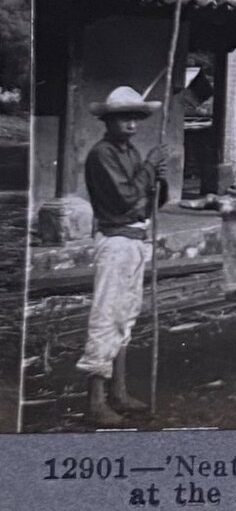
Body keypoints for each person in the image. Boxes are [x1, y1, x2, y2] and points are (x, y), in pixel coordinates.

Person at [76, 85, 169, 426]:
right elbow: (125, 199)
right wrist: (148, 169)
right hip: (114, 241)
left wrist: (160, 177)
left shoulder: (130, 153)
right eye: (122, 118)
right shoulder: (102, 155)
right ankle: (96, 400)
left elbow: (150, 202)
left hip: (135, 239)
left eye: (134, 118)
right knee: (106, 315)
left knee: (126, 316)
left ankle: (119, 390)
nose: (130, 124)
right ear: (107, 121)